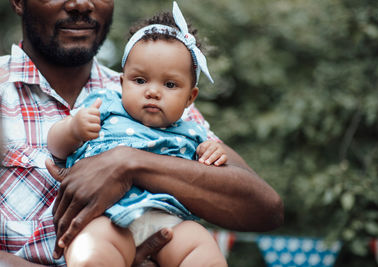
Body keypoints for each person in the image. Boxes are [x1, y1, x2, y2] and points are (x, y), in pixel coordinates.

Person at [0, 0, 284, 266]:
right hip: (102, 235)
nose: (82, 3)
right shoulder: (122, 97)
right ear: (18, 2)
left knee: (201, 247)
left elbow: (264, 207)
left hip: (164, 225)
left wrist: (129, 163)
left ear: (189, 96)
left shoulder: (163, 101)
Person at [47, 3, 228, 266]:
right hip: (107, 217)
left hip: (168, 221)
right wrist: (73, 129)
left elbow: (213, 171)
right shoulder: (105, 105)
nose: (153, 92)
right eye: (140, 80)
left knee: (202, 246)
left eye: (169, 84)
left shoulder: (193, 130)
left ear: (190, 98)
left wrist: (214, 152)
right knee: (92, 252)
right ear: (122, 83)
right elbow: (56, 146)